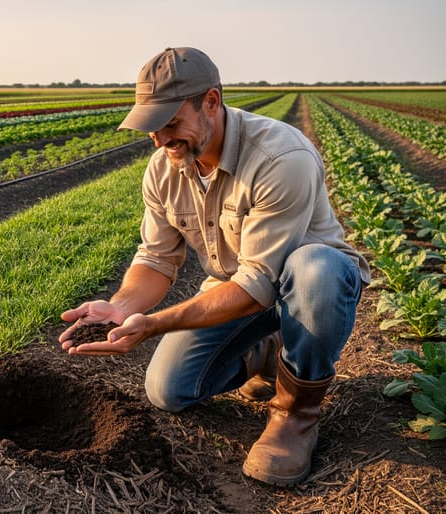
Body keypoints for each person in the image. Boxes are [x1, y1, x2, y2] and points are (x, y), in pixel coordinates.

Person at [58, 47, 370, 487]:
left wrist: (154, 325)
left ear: (211, 102)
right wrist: (123, 306)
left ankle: (296, 414)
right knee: (168, 391)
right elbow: (157, 257)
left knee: (314, 268)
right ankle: (268, 348)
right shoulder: (163, 169)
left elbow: (258, 282)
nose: (161, 139)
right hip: (236, 290)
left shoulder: (281, 158)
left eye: (170, 123)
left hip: (304, 287)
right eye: (151, 128)